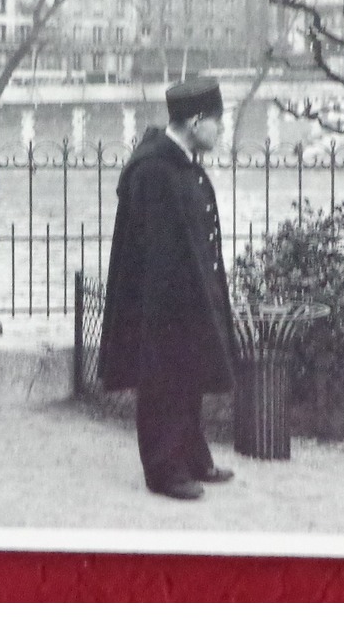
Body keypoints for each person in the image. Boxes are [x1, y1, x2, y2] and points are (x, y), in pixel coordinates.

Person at [99, 77, 238, 501]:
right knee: (163, 381)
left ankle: (194, 457)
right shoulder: (156, 171)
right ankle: (163, 469)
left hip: (189, 293)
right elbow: (158, 254)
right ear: (196, 122)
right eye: (217, 122)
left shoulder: (179, 164)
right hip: (162, 302)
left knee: (189, 378)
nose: (221, 131)